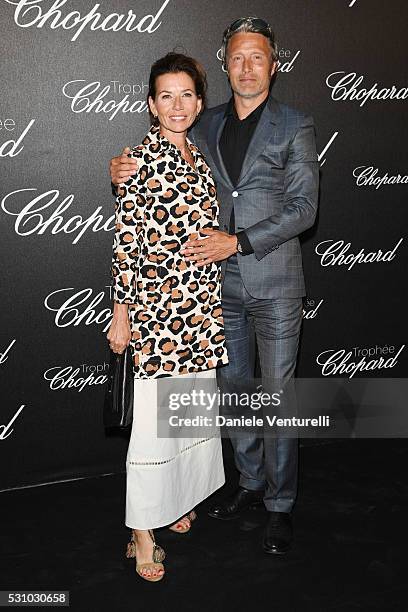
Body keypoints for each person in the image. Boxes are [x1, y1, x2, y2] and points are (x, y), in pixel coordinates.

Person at [110, 17, 319, 555]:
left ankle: (280, 504)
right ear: (225, 65)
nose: (248, 66)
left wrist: (239, 243)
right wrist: (120, 171)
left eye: (258, 56)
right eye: (237, 57)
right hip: (209, 292)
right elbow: (158, 161)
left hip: (272, 283)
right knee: (233, 394)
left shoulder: (296, 125)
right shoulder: (204, 122)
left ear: (274, 63)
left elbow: (304, 209)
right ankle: (248, 484)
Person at [107, 52, 229, 582]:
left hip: (200, 311)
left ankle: (177, 501)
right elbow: (127, 242)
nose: (177, 105)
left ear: (199, 102)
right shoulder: (139, 160)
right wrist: (121, 314)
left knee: (188, 418)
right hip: (158, 314)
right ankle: (141, 533)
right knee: (156, 429)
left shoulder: (200, 159)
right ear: (152, 104)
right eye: (166, 96)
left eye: (187, 95)